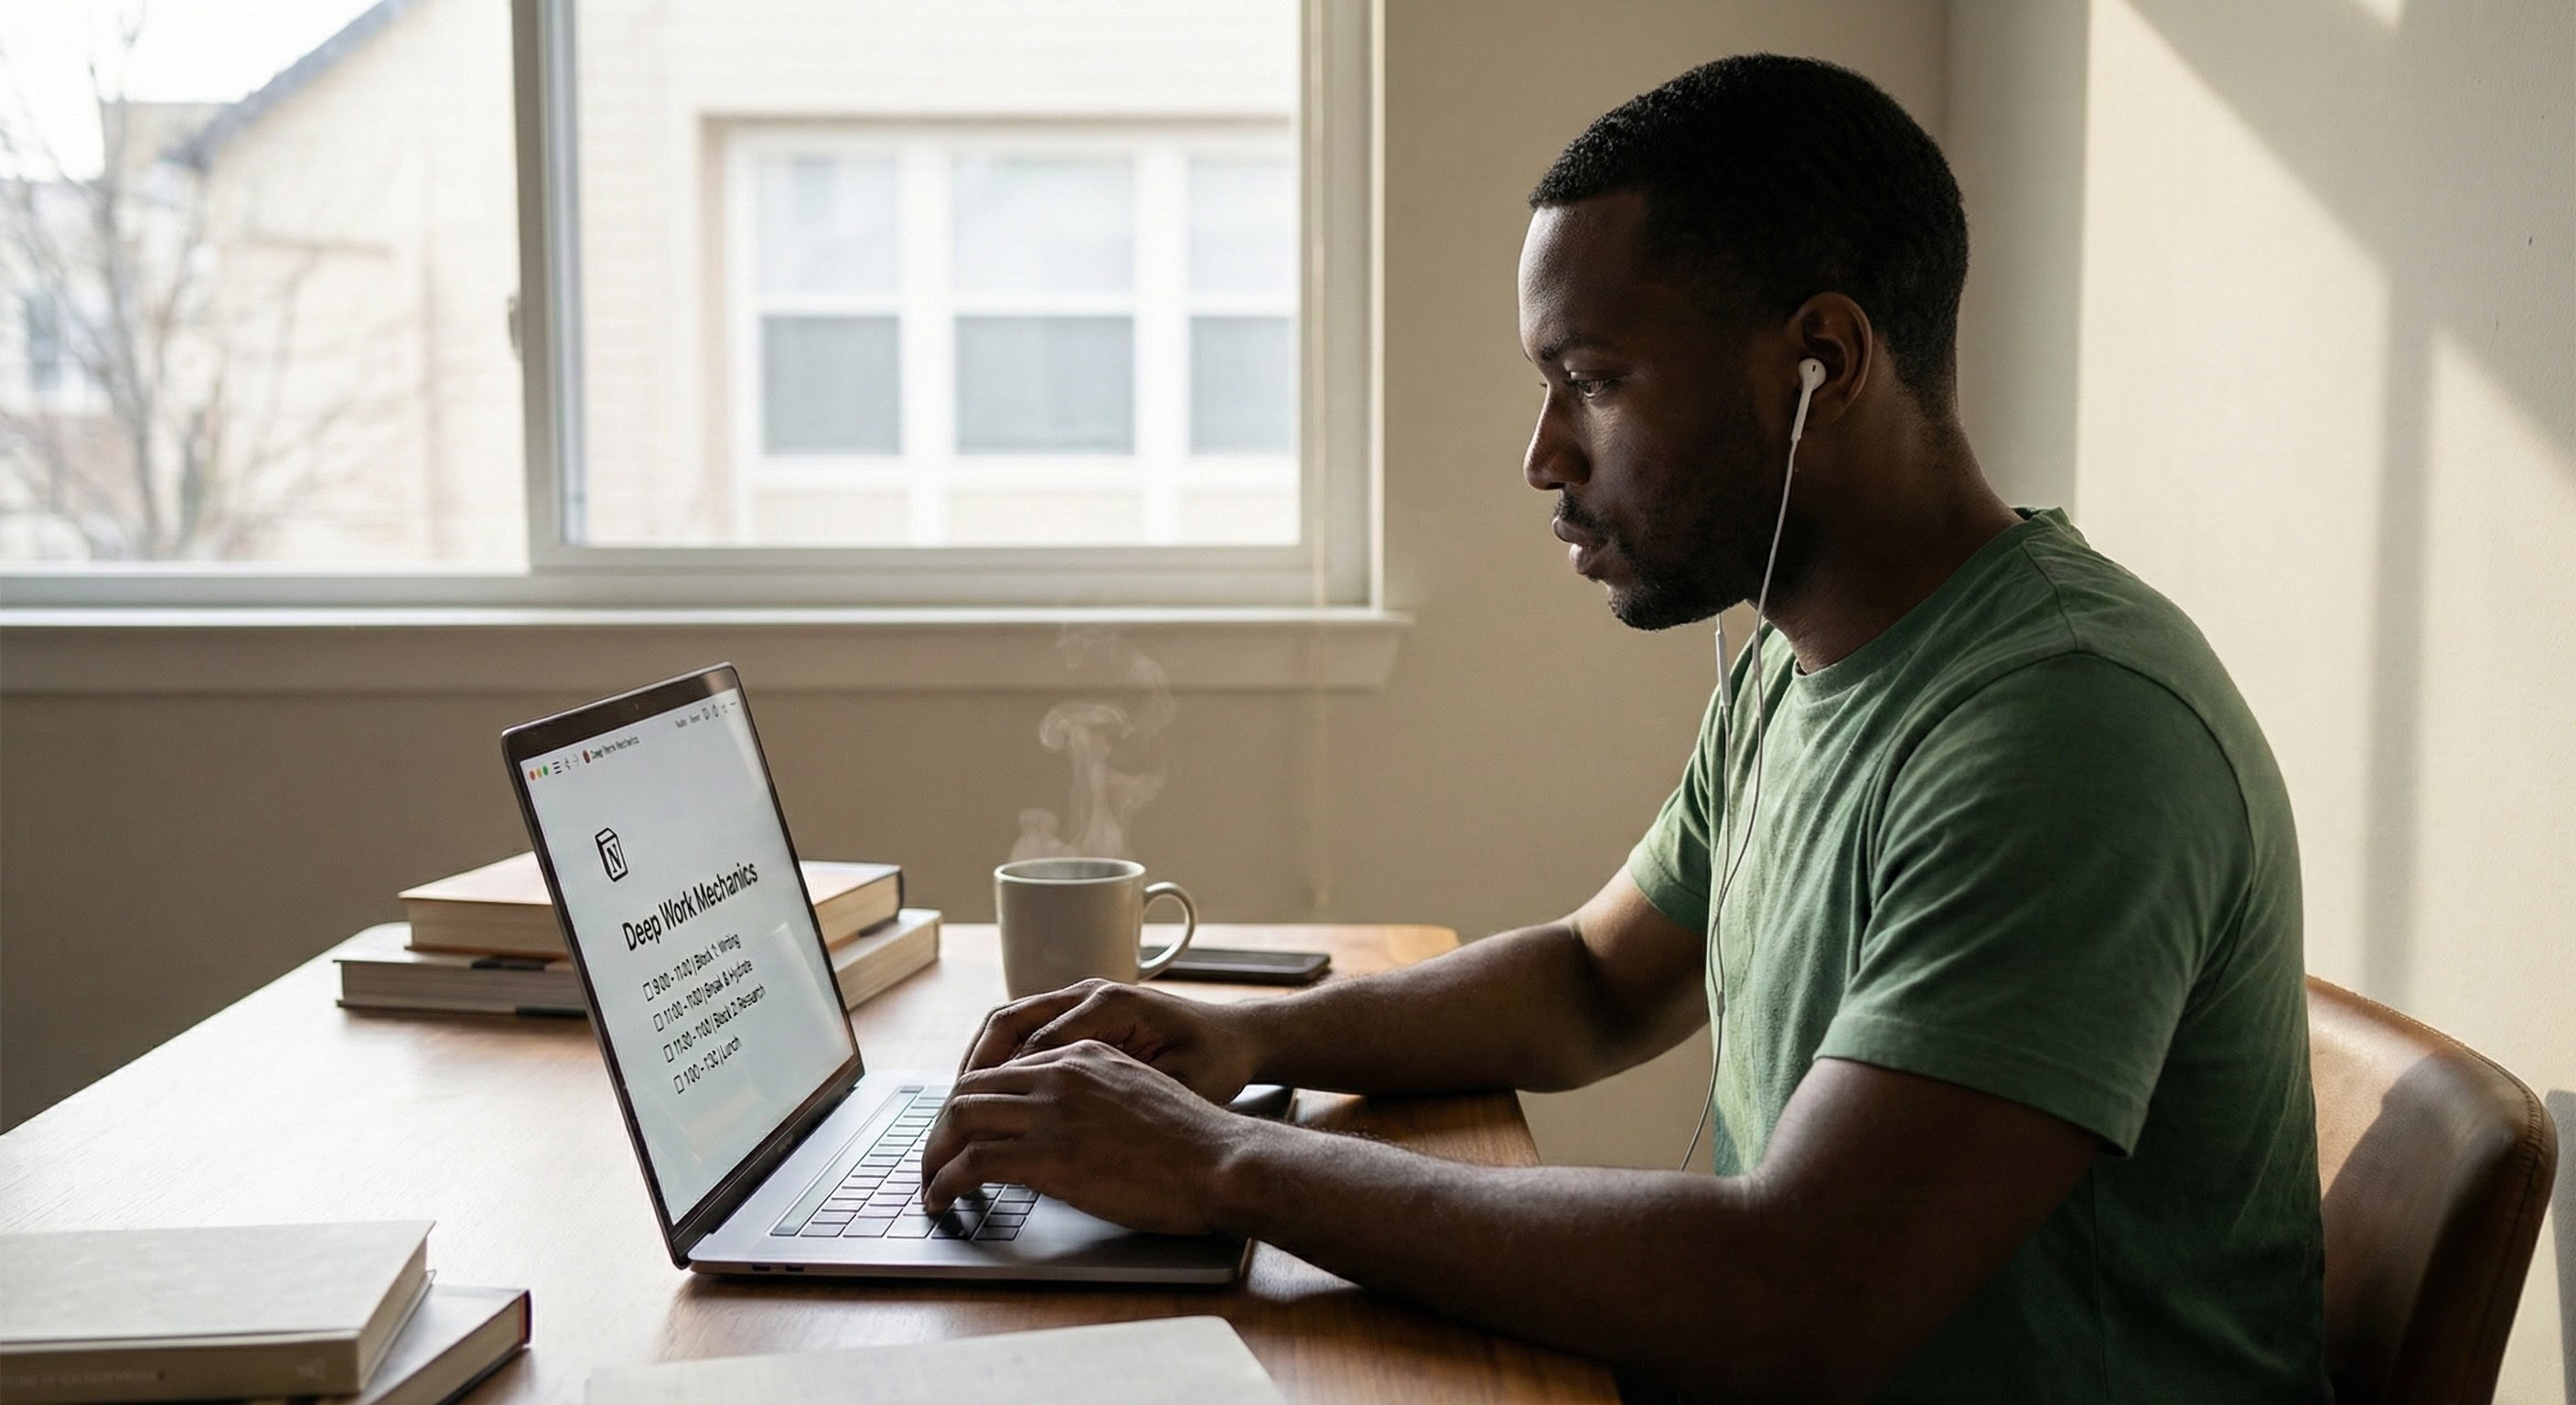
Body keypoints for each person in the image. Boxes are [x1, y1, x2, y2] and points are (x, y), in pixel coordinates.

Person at [920, 54, 2328, 1401]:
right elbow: (1602, 981)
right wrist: (1241, 1039)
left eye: (1591, 380)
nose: (1545, 453)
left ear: (1820, 364)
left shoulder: (2063, 732)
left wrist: (1225, 1166)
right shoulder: (1802, 660)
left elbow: (1800, 1299)